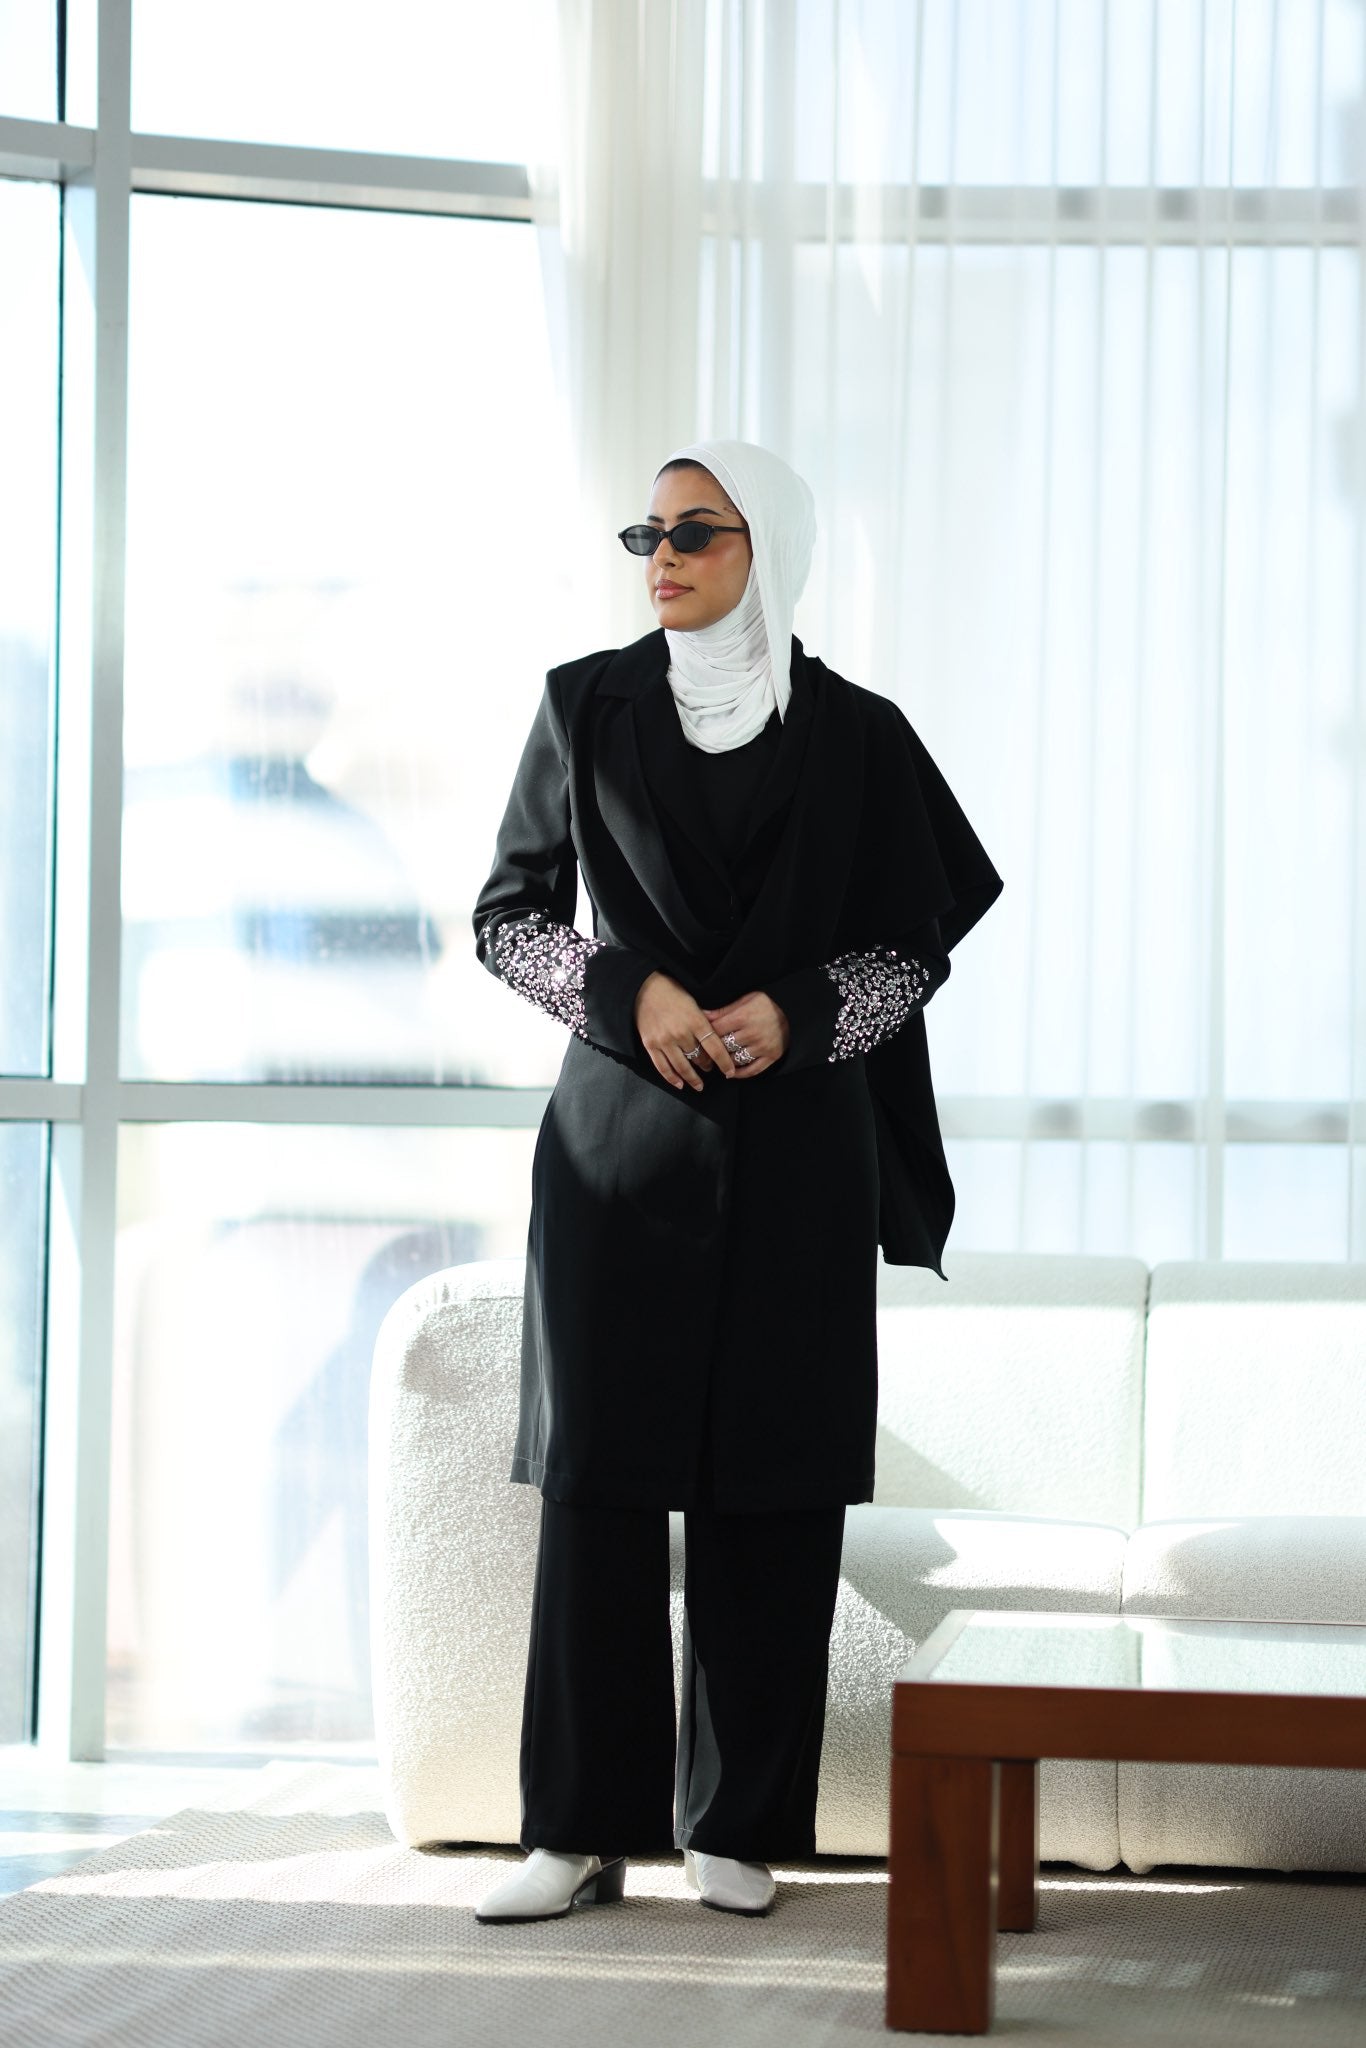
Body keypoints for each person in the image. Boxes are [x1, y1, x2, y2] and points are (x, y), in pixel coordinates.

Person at [470, 438, 1003, 1924]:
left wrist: (804, 1012)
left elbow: (916, 944)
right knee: (596, 1488)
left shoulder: (861, 735)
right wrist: (625, 992)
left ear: (773, 545)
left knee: (773, 1490)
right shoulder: (583, 706)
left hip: (797, 1158)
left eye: (697, 531)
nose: (664, 556)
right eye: (648, 532)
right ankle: (573, 1832)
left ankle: (737, 1826)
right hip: (616, 1157)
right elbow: (509, 919)